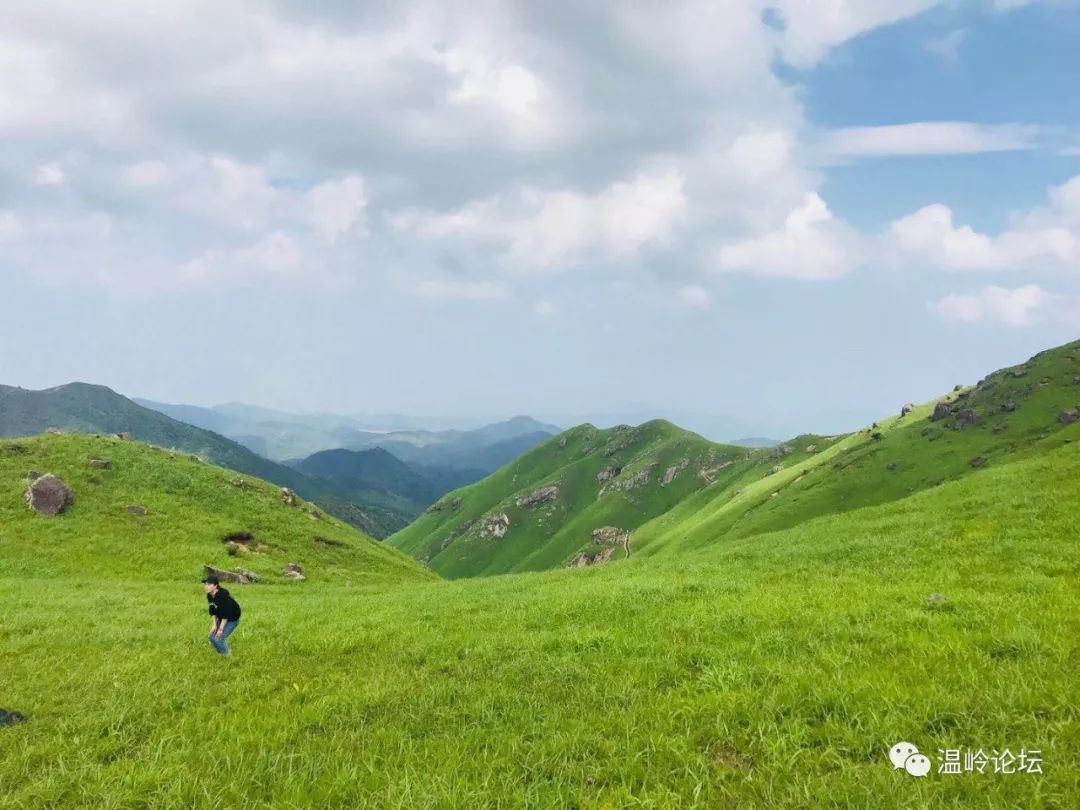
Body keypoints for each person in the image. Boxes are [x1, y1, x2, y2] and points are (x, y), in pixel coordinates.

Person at [202, 575, 242, 656]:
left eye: (209, 584)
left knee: (218, 639)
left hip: (232, 619)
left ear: (216, 586)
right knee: (212, 638)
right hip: (222, 617)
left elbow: (225, 615)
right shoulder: (209, 595)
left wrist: (220, 629)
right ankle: (222, 653)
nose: (206, 586)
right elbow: (212, 610)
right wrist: (214, 625)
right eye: (205, 584)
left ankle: (227, 655)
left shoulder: (222, 596)